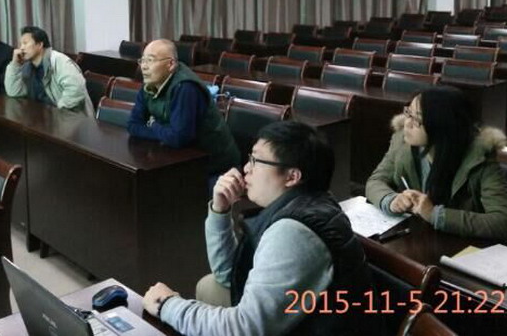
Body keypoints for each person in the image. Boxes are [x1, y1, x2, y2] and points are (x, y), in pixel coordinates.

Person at [142, 121, 379, 336]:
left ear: (292, 177)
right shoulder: (305, 203)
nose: (246, 168)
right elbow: (228, 274)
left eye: (256, 161)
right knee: (211, 285)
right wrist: (220, 210)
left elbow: (246, 328)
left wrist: (167, 305)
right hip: (308, 321)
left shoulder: (293, 233)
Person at [366, 85, 507, 242]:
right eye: (408, 113)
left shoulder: (480, 158)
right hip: (419, 238)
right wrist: (391, 200)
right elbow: (376, 181)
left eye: (417, 119)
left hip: (460, 245)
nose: (407, 123)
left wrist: (435, 215)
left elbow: (506, 223)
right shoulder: (402, 142)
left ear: (442, 125)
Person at [127, 39, 240, 180]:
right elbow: (132, 125)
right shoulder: (150, 84)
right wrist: (164, 132)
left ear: (171, 64)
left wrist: (153, 124)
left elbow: (178, 138)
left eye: (150, 60)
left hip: (216, 169)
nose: (144, 66)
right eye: (142, 60)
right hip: (180, 160)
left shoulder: (186, 87)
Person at [4, 26, 93, 115]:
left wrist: (58, 110)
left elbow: (76, 90)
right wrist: (15, 65)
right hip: (41, 115)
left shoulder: (59, 61)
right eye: (20, 44)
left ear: (40, 45)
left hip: (70, 116)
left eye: (25, 43)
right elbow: (14, 92)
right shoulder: (27, 66)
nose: (21, 48)